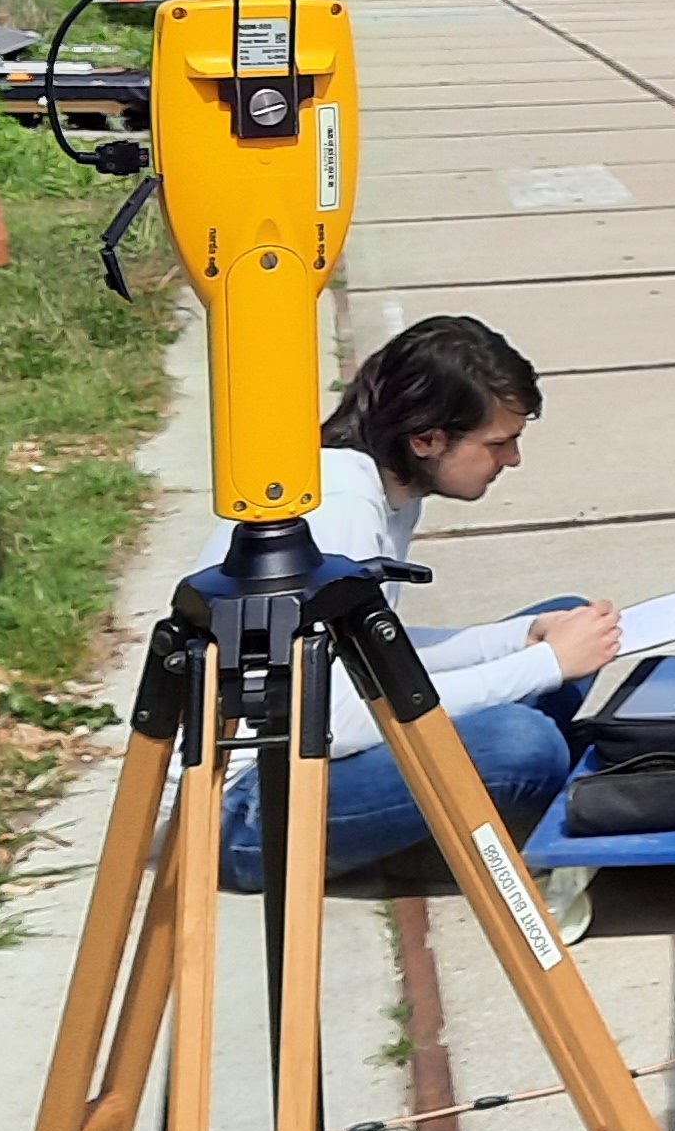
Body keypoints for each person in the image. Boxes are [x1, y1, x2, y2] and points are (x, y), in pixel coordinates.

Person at [199, 313, 622, 893]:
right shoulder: (340, 505)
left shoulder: (387, 485)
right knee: (524, 743)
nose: (513, 460)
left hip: (307, 757)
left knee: (562, 619)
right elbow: (337, 719)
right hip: (241, 811)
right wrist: (542, 666)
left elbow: (369, 651)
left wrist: (518, 641)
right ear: (425, 438)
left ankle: (430, 828)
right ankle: (438, 833)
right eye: (498, 443)